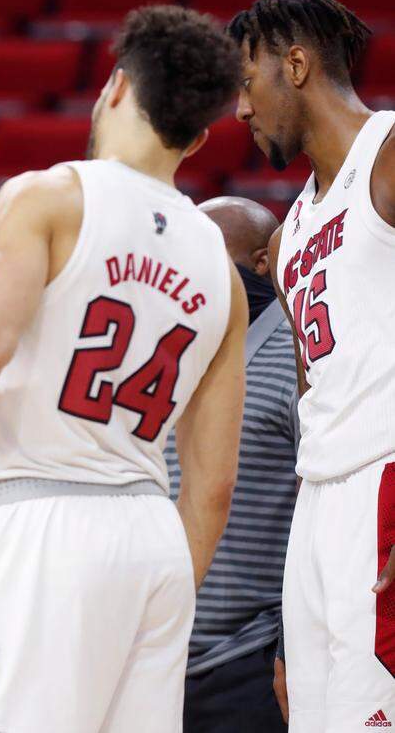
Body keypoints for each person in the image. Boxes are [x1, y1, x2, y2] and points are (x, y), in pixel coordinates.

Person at [0, 5, 247, 732]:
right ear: (199, 134)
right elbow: (214, 485)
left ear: (117, 86)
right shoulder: (221, 267)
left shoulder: (50, 198)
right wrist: (153, 589)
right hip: (156, 541)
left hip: (47, 525)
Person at [229, 0, 395, 731]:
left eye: (246, 81)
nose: (239, 109)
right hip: (321, 509)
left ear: (295, 65)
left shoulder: (388, 155)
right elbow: (310, 403)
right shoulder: (292, 226)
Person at [165, 196, 298, 733]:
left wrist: (291, 642)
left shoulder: (299, 357)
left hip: (251, 659)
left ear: (261, 261)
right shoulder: (164, 357)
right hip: (155, 654)